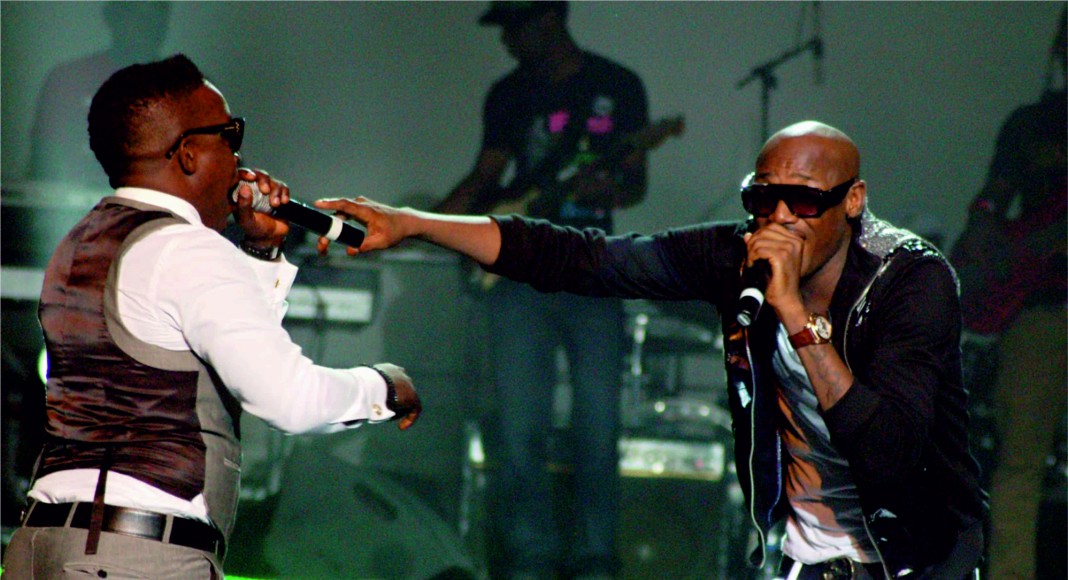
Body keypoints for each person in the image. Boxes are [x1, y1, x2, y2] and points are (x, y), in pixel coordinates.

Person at [316, 120, 989, 578]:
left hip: (915, 559)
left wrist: (795, 316)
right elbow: (580, 258)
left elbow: (890, 451)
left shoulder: (912, 282)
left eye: (805, 202)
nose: (780, 218)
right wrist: (413, 224)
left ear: (853, 201)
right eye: (763, 198)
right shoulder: (737, 255)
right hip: (802, 561)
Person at [0, 54, 421, 579]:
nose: (241, 158)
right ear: (188, 154)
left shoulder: (81, 240)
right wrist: (384, 387)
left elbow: (214, 356)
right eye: (231, 136)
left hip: (42, 546)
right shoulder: (186, 249)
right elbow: (288, 398)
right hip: (135, 556)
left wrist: (261, 252)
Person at [433, 2, 649, 578]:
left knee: (598, 426)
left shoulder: (617, 86)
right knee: (518, 426)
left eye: (515, 25)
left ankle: (595, 558)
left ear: (550, 18)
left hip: (591, 273)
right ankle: (530, 555)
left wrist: (606, 187)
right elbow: (487, 175)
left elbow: (634, 185)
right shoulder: (508, 94)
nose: (507, 39)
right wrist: (423, 224)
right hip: (519, 278)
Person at [949, 8, 1066, 579]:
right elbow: (992, 198)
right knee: (1020, 464)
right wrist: (984, 236)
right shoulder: (1031, 123)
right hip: (1040, 311)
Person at [26, 1, 173, 189]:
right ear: (112, 16)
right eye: (135, 13)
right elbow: (42, 164)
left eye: (155, 15)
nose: (146, 25)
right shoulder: (68, 80)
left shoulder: (191, 91)